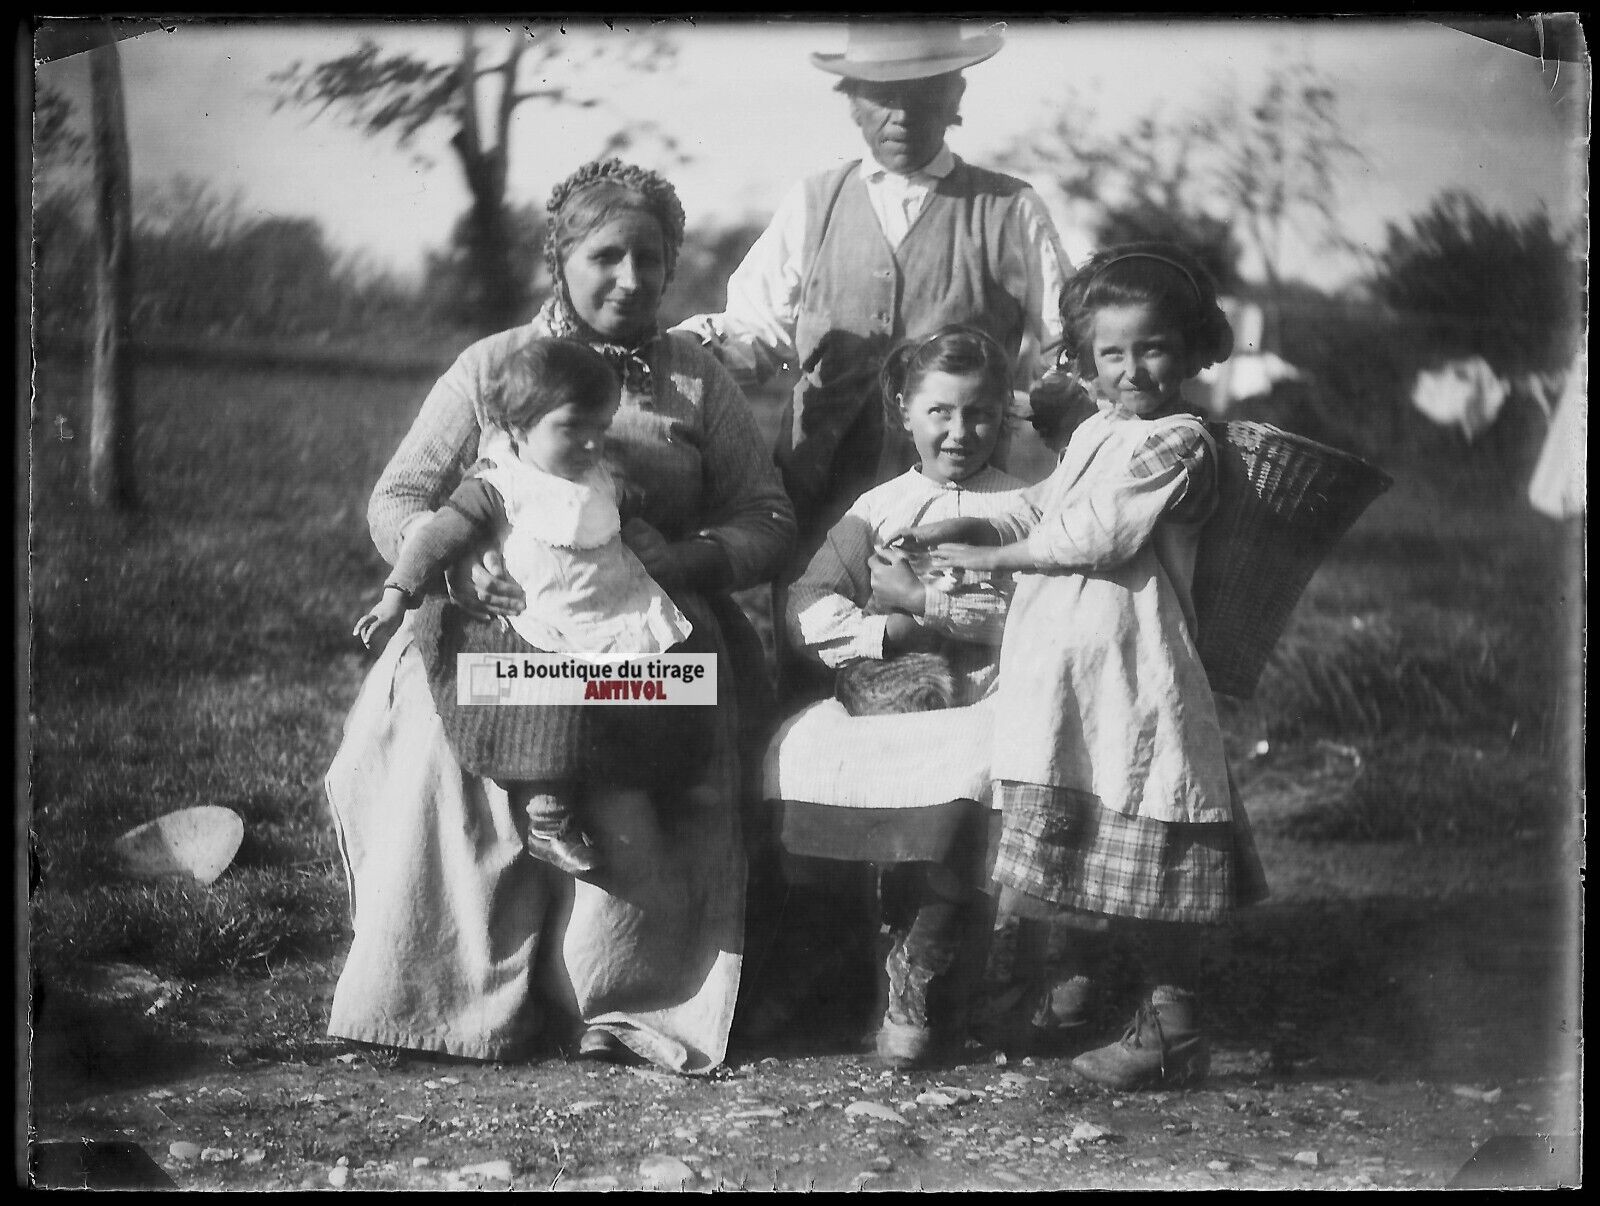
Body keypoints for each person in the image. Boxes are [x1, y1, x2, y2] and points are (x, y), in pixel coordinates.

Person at [325, 159, 795, 1074]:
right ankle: (443, 1000)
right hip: (492, 629)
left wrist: (691, 557)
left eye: (651, 259)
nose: (633, 279)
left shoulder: (695, 379)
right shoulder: (492, 368)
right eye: (606, 256)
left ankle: (613, 999)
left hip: (646, 636)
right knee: (440, 732)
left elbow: (767, 516)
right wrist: (459, 565)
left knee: (642, 755)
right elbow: (401, 497)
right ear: (561, 260)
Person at [675, 16, 1069, 1039]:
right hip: (824, 510)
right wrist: (685, 346)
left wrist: (1027, 444)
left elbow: (1062, 351)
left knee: (971, 715)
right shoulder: (817, 200)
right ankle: (829, 959)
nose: (897, 115)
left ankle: (946, 946)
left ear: (957, 97)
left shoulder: (1008, 210)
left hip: (974, 517)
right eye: (876, 95)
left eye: (920, 93)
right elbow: (756, 327)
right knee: (828, 714)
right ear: (848, 101)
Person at [908, 243, 1269, 1088]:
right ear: (1086, 360)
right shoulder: (1101, 430)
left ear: (1188, 349)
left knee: (1146, 826)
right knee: (1078, 831)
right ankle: (1070, 993)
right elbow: (1047, 505)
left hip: (1134, 672)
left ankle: (1172, 1024)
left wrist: (1002, 560)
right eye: (1113, 353)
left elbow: (1094, 534)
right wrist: (978, 525)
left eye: (1153, 348)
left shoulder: (1178, 443)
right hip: (1068, 672)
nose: (1134, 368)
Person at [766, 325, 1040, 1065]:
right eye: (941, 412)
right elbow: (808, 605)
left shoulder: (1025, 509)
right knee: (832, 760)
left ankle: (950, 973)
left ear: (1004, 417)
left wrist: (933, 606)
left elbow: (1045, 614)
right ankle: (885, 972)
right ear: (905, 411)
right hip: (899, 693)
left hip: (996, 690)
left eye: (981, 413)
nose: (960, 432)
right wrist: (884, 631)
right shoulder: (880, 507)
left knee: (976, 776)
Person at [352, 337, 702, 876]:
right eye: (571, 430)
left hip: (607, 611)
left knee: (681, 678)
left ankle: (662, 782)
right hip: (535, 622)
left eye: (599, 429)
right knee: (551, 701)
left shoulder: (598, 474)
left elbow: (612, 517)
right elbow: (433, 538)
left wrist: (649, 536)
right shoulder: (499, 485)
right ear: (518, 428)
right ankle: (548, 818)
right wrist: (395, 597)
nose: (590, 445)